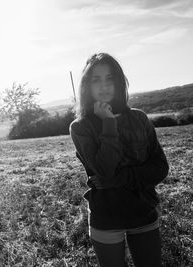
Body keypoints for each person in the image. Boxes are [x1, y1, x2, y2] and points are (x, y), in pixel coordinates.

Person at [69, 53, 169, 266]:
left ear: (119, 81)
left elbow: (160, 167)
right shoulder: (80, 127)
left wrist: (118, 179)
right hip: (106, 218)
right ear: (87, 85)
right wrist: (108, 123)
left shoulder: (139, 118)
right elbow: (104, 170)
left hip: (144, 212)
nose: (104, 86)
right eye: (96, 79)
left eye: (110, 78)